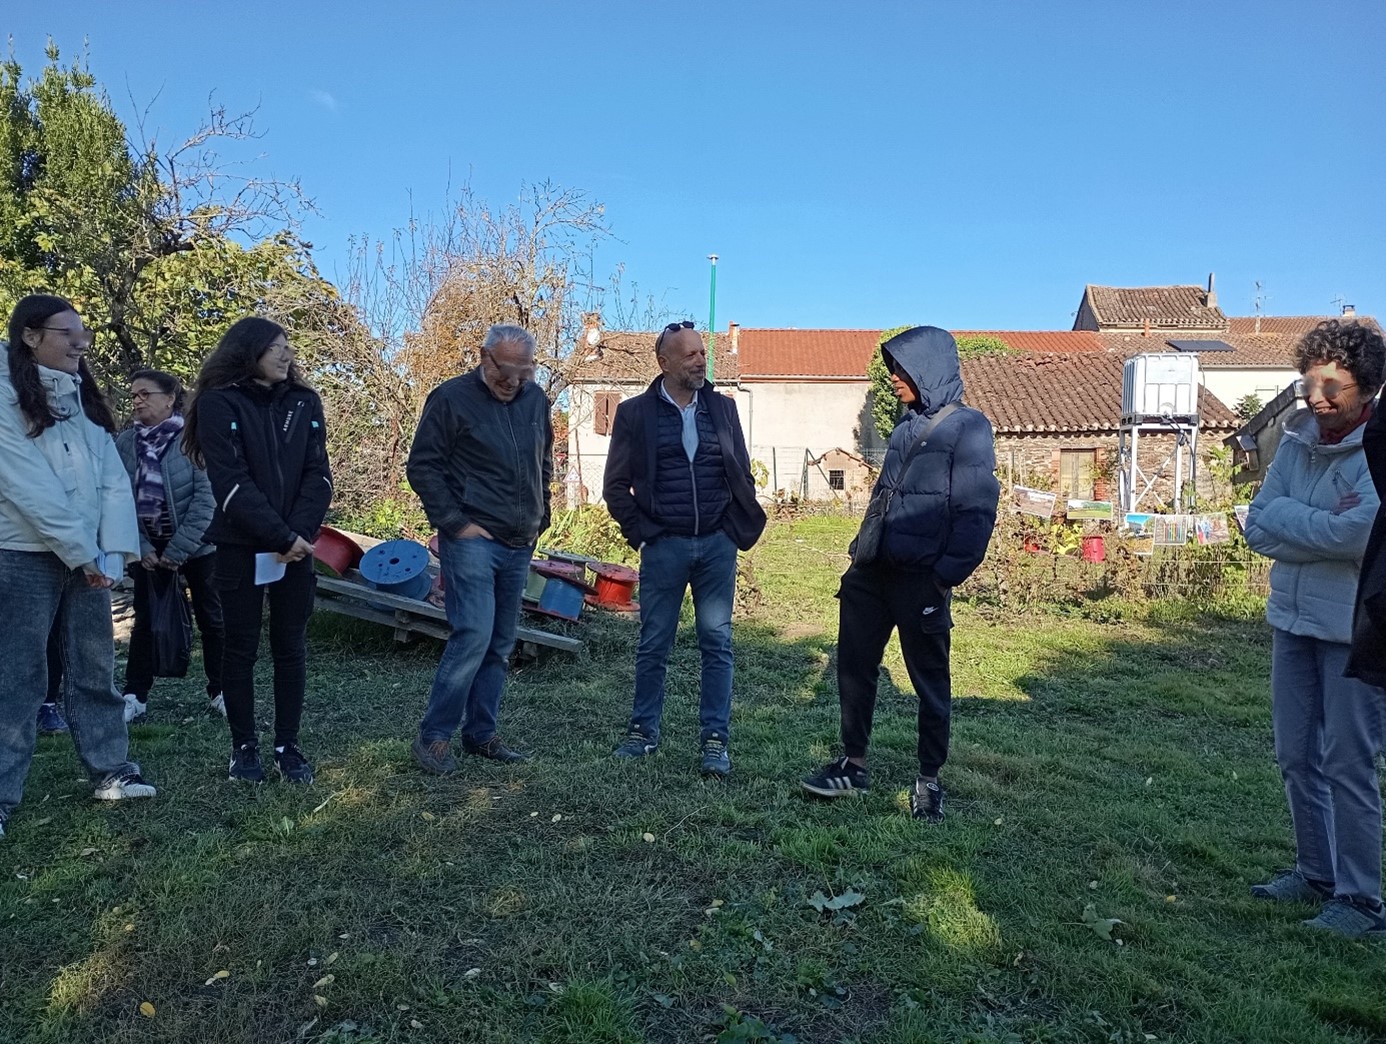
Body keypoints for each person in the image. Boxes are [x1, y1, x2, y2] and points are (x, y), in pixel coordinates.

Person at [801, 326, 998, 823]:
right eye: (891, 367)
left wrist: (945, 576)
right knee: (853, 667)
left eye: (901, 369)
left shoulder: (969, 427)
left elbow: (977, 509)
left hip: (921, 581)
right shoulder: (906, 426)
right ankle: (853, 764)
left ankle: (929, 780)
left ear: (928, 369)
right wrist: (859, 560)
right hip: (872, 574)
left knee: (930, 680)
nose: (892, 378)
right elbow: (884, 496)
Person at [1244, 318, 1386, 938]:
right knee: (1297, 755)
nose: (1318, 397)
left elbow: (1361, 535)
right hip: (1292, 622)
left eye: (1334, 384)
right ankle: (1316, 872)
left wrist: (1292, 522)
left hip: (1356, 629)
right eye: (1309, 383)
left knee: (1347, 761)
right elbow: (1256, 524)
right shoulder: (1296, 441)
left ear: (1368, 386)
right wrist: (1319, 524)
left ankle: (1361, 900)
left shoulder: (1379, 448)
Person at [0, 294, 155, 839]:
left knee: (94, 668)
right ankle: (1, 795)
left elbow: (113, 480)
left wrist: (111, 553)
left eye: (83, 333)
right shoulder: (5, 395)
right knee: (18, 676)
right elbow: (24, 486)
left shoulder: (79, 397)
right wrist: (82, 552)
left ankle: (112, 770)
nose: (81, 343)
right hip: (21, 554)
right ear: (30, 336)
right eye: (68, 333)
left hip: (86, 559)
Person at [602, 321, 767, 776]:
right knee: (655, 643)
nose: (700, 361)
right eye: (690, 355)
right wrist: (643, 532)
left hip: (717, 545)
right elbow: (615, 486)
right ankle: (642, 732)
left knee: (717, 643)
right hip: (665, 547)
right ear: (664, 363)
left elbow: (741, 473)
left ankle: (715, 741)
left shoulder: (722, 408)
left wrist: (732, 529)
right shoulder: (635, 414)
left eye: (702, 353)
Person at [183, 318, 332, 784]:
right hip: (240, 547)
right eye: (276, 349)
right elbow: (230, 483)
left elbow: (318, 476)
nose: (286, 356)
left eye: (288, 347)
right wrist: (279, 537)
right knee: (240, 646)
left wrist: (298, 536)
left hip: (298, 548)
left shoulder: (305, 402)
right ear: (248, 352)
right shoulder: (217, 402)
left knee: (291, 647)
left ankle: (288, 746)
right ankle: (243, 748)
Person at [407, 324, 551, 774]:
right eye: (508, 371)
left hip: (520, 540)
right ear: (485, 358)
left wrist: (541, 516)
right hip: (472, 539)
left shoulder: (536, 399)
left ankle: (481, 734)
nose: (515, 382)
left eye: (525, 373)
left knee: (501, 642)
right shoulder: (450, 398)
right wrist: (455, 524)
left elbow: (544, 460)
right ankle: (433, 738)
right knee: (473, 634)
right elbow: (423, 467)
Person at [115, 369, 225, 722]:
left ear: (170, 398)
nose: (137, 401)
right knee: (145, 619)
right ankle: (135, 695)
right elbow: (117, 499)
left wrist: (179, 550)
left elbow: (208, 499)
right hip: (146, 550)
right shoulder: (125, 444)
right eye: (133, 395)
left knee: (213, 618)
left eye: (145, 394)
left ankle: (222, 690)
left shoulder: (193, 439)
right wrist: (141, 546)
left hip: (198, 547)